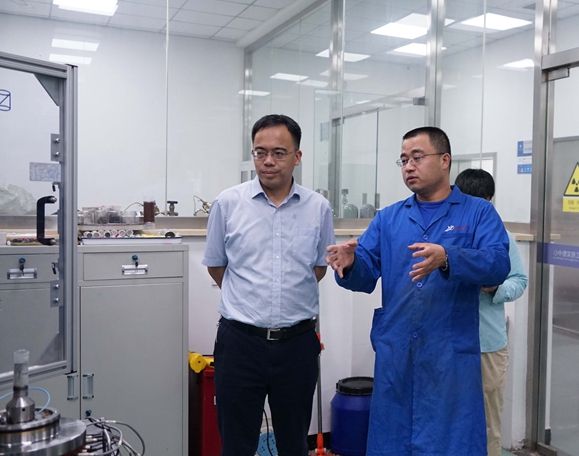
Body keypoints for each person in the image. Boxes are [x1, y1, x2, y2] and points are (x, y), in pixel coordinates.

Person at [326, 126, 511, 455]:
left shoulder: (477, 213)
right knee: (393, 439)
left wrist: (448, 257)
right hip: (397, 353)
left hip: (450, 356)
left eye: (417, 157)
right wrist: (351, 263)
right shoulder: (389, 218)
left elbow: (497, 264)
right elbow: (364, 274)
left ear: (444, 160)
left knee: (451, 441)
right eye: (403, 160)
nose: (408, 166)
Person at [202, 114, 335, 456]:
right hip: (240, 344)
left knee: (294, 444)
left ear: (297, 157)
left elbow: (318, 268)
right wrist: (250, 300)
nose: (268, 161)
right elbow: (216, 265)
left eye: (278, 152)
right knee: (236, 444)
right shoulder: (228, 203)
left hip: (297, 345)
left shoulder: (318, 208)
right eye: (260, 152)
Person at [455, 168, 528, 456]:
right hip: (448, 343)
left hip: (487, 343)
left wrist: (496, 288)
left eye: (481, 203)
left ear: (489, 200)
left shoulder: (502, 237)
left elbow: (519, 280)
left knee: (488, 422)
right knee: (450, 419)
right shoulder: (446, 236)